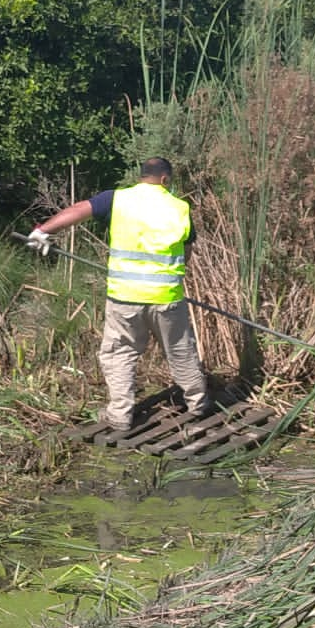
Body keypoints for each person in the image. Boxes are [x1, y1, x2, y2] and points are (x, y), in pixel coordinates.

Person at [25, 157, 213, 433]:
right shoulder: (180, 207)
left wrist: (43, 231)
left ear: (141, 177)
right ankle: (198, 404)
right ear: (165, 179)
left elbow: (79, 210)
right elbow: (185, 253)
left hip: (125, 298)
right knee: (180, 352)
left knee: (119, 354)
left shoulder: (117, 199)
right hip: (167, 298)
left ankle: (120, 415)